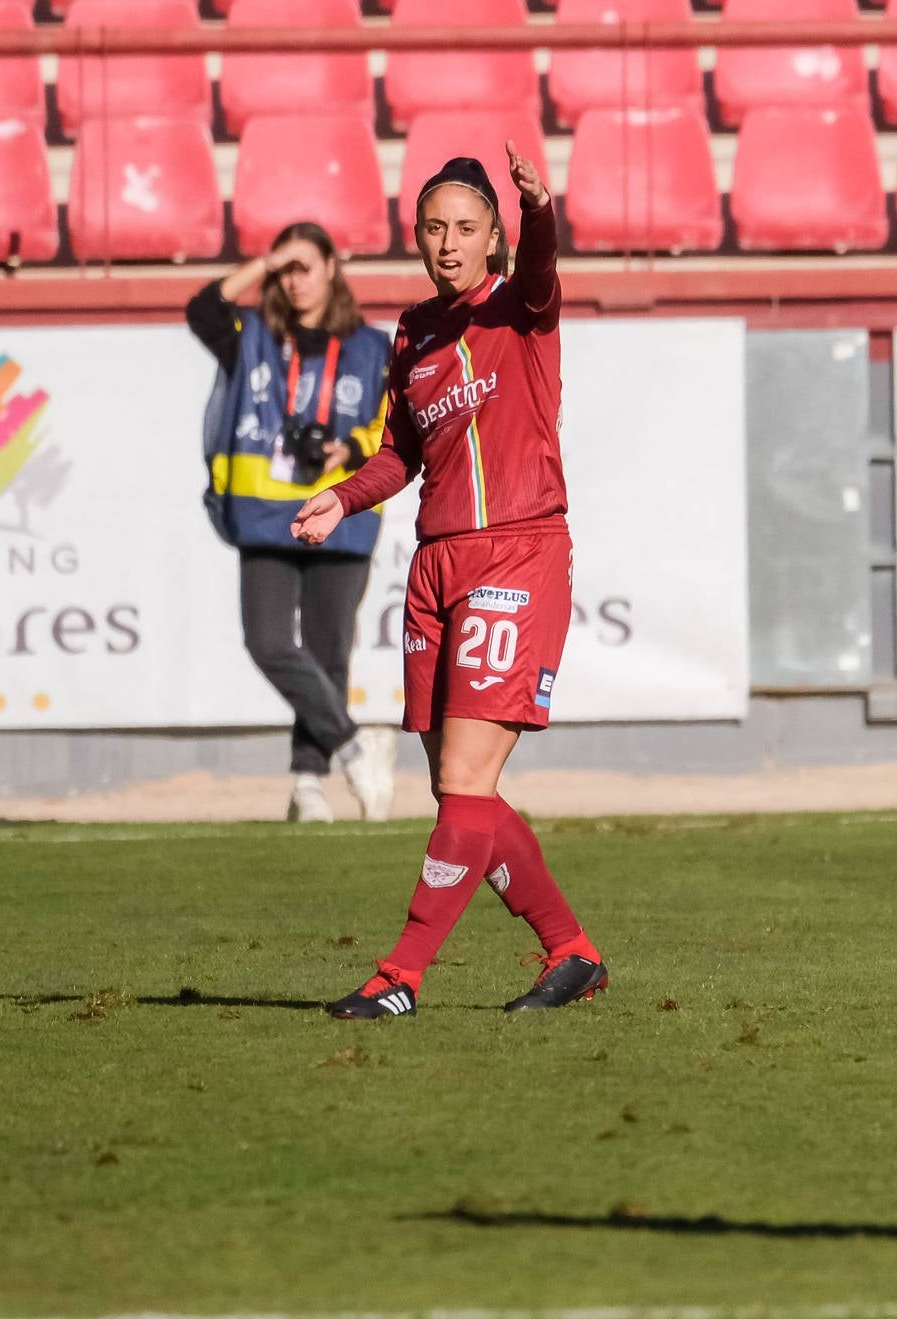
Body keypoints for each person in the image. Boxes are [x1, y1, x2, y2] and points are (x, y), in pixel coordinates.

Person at [292, 146, 606, 1017]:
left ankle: (400, 975)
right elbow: (400, 453)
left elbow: (542, 262)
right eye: (432, 228)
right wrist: (341, 498)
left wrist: (540, 208)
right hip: (437, 567)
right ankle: (571, 953)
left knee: (465, 782)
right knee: (456, 790)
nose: (446, 243)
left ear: (493, 237)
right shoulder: (413, 332)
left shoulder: (523, 308)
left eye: (465, 228)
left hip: (516, 553)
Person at [189, 222, 398, 823]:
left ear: (333, 266)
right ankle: (355, 744)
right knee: (270, 642)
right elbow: (203, 308)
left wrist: (348, 450)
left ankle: (308, 783)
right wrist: (263, 261)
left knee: (329, 653)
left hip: (341, 511)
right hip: (265, 515)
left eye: (305, 265)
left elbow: (397, 427)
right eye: (285, 270)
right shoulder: (251, 334)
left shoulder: (374, 347)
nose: (295, 280)